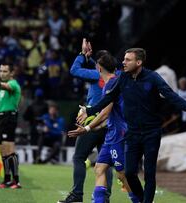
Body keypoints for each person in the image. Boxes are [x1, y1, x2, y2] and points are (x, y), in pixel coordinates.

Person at [78, 48, 186, 203]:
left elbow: (171, 96)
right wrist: (90, 110)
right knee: (129, 173)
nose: (123, 62)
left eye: (128, 60)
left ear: (139, 62)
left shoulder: (153, 78)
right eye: (124, 59)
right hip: (132, 133)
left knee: (149, 174)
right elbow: (109, 98)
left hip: (151, 133)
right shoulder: (123, 78)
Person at [68, 54, 140, 203]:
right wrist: (95, 127)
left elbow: (105, 113)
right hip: (110, 134)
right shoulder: (114, 80)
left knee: (122, 175)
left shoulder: (111, 84)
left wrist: (87, 128)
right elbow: (107, 116)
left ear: (99, 68)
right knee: (99, 168)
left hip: (119, 135)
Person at [58, 38, 112, 203]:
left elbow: (74, 70)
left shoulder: (96, 75)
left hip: (92, 120)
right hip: (109, 122)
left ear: (100, 66)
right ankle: (104, 197)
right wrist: (90, 59)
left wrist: (83, 55)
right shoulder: (117, 78)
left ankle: (77, 195)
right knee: (105, 162)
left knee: (79, 157)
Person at [0, 64, 22, 189]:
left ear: (11, 73)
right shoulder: (1, 89)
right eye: (0, 71)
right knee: (3, 150)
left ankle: (16, 181)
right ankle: (7, 179)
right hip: (1, 118)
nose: (2, 73)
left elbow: (7, 87)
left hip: (8, 118)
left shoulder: (13, 84)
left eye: (5, 71)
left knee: (9, 149)